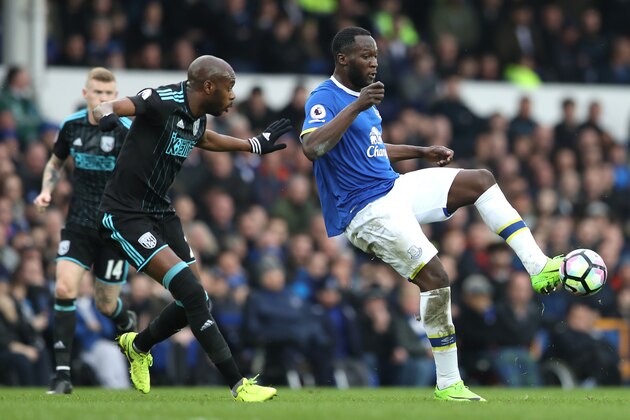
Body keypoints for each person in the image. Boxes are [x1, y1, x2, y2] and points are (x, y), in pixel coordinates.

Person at [300, 26, 563, 402]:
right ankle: (448, 383)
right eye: (365, 55)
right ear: (343, 59)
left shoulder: (363, 100)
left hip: (392, 189)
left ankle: (539, 267)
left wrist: (420, 150)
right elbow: (312, 146)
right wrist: (357, 105)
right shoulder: (325, 97)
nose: (374, 62)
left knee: (481, 180)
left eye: (375, 55)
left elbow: (372, 148)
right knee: (436, 276)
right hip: (365, 209)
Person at [92, 55, 291, 401]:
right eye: (229, 88)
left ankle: (138, 346)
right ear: (208, 86)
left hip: (161, 213)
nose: (233, 96)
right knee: (193, 293)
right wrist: (107, 117)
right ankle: (238, 385)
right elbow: (106, 106)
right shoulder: (161, 101)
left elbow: (206, 140)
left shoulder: (196, 117)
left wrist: (251, 145)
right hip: (125, 214)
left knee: (197, 300)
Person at [33, 67, 137, 395]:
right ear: (86, 93)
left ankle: (125, 320)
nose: (103, 99)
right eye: (98, 93)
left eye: (109, 94)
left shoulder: (125, 130)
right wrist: (46, 190)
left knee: (106, 305)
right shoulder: (71, 125)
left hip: (114, 228)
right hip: (78, 224)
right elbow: (55, 162)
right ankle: (61, 376)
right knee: (64, 290)